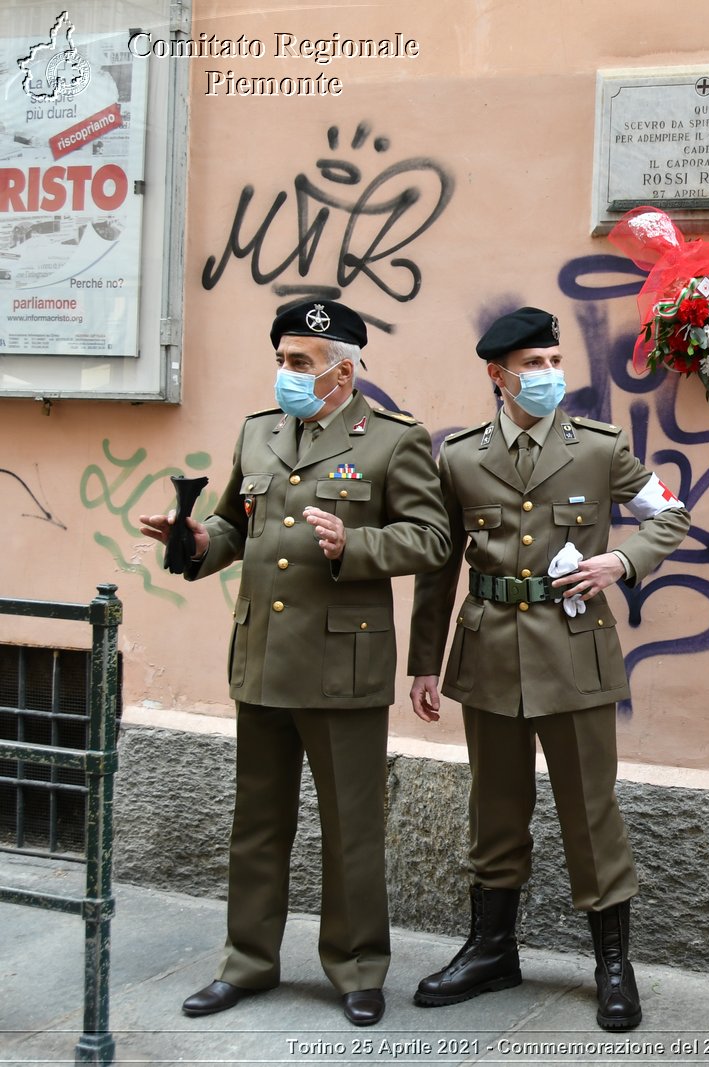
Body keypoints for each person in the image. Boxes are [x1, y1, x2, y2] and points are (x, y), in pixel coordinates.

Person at [137, 299, 451, 1027]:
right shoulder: (259, 433)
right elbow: (231, 527)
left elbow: (433, 538)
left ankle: (357, 968)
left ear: (343, 372)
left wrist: (357, 545)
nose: (285, 373)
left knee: (351, 827)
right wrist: (188, 541)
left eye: (300, 362)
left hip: (343, 663)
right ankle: (247, 961)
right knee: (257, 823)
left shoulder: (393, 440)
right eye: (280, 359)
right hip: (264, 657)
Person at [407, 306, 690, 1031]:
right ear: (498, 377)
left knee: (591, 813)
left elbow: (670, 513)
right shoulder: (462, 456)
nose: (548, 375)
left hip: (576, 653)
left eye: (555, 360)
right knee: (494, 810)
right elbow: (440, 567)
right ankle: (493, 949)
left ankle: (613, 964)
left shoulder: (598, 447)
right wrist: (423, 664)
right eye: (532, 365)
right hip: (491, 651)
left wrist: (623, 560)